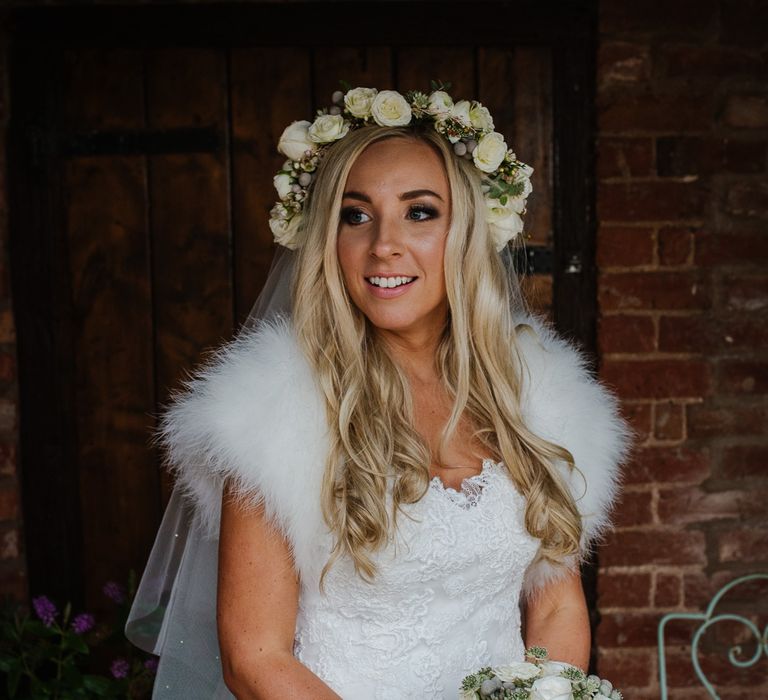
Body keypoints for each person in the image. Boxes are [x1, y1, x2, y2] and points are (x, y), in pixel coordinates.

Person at [126, 86, 633, 699]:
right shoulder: (270, 414)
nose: (383, 243)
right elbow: (254, 658)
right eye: (355, 214)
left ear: (467, 233)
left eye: (420, 212)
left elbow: (556, 608)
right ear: (327, 240)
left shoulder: (536, 396)